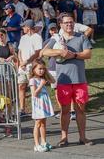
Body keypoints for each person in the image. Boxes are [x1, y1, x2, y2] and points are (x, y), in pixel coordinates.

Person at [42, 13, 94, 147]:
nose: (69, 25)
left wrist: (74, 55)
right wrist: (60, 52)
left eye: (71, 22)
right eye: (66, 23)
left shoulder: (81, 37)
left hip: (79, 80)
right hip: (63, 81)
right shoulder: (57, 39)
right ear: (61, 25)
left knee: (80, 111)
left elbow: (88, 54)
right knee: (64, 111)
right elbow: (44, 52)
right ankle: (64, 138)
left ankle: (83, 137)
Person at [16, 20, 42, 116]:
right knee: (21, 86)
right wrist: (21, 62)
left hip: (32, 65)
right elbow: (19, 51)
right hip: (22, 66)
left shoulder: (37, 37)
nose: (23, 28)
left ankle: (36, 108)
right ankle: (22, 109)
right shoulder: (23, 37)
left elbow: (37, 52)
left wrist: (27, 62)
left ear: (28, 27)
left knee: (33, 87)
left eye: (24, 26)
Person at [29, 59, 56, 152]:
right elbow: (34, 94)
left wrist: (47, 71)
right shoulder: (33, 80)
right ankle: (36, 144)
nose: (42, 71)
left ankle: (44, 142)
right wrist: (41, 85)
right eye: (40, 69)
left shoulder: (42, 78)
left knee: (43, 124)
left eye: (43, 69)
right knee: (38, 124)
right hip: (38, 105)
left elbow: (53, 80)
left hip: (44, 104)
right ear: (34, 69)